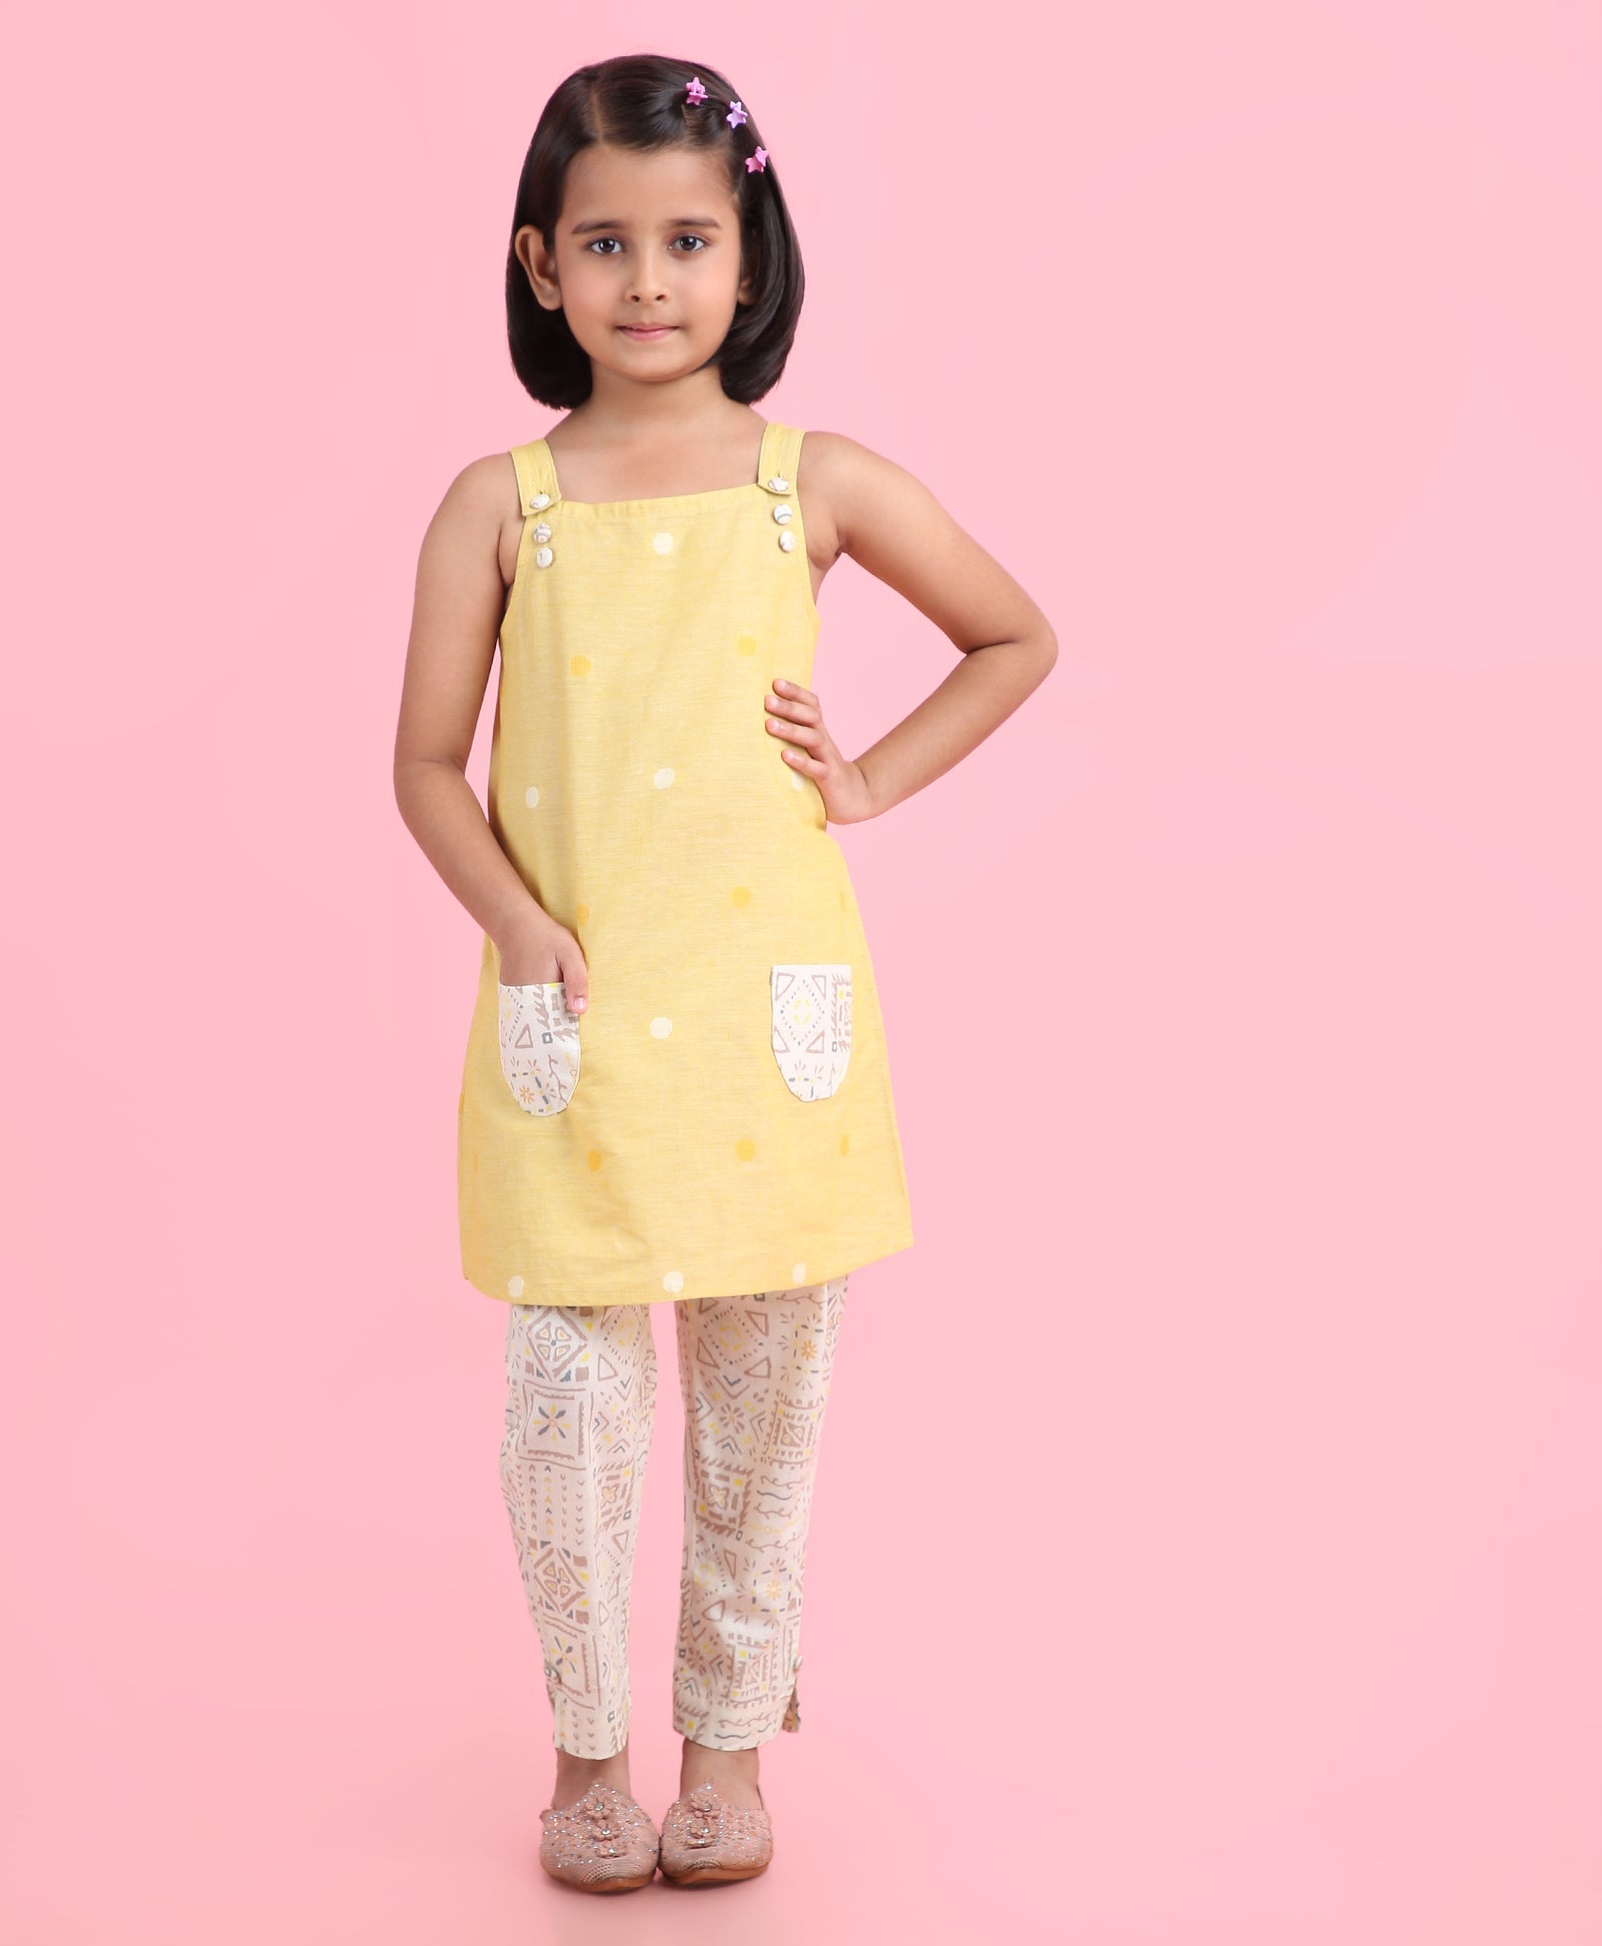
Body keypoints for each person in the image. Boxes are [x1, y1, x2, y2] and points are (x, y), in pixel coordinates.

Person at [393, 53, 1057, 1892]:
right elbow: (426, 763)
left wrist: (867, 781)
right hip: (580, 1024)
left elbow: (1011, 634)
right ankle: (584, 1761)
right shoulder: (499, 505)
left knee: (764, 1419)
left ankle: (730, 1757)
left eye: (688, 239)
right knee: (568, 1426)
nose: (648, 280)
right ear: (539, 263)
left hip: (767, 1038)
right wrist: (515, 922)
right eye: (604, 241)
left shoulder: (807, 484)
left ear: (749, 254)